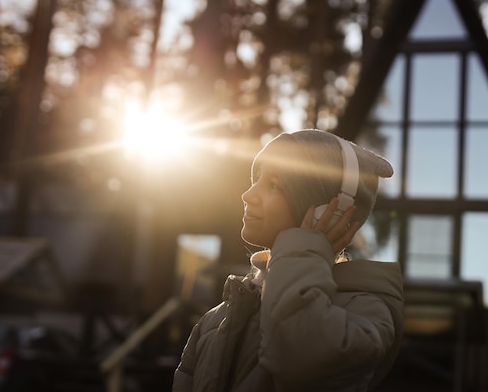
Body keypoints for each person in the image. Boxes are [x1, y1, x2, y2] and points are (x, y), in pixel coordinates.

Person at [172, 129, 404, 392]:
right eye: (256, 178)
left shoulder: (364, 312)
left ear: (328, 211)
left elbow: (297, 360)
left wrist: (305, 246)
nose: (247, 195)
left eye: (273, 185)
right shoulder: (215, 318)